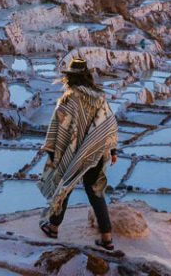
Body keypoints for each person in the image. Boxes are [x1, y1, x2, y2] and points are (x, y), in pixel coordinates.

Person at [38, 57, 119, 250]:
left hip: (71, 153)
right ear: (87, 76)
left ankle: (53, 227)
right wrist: (112, 150)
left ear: (70, 78)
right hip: (95, 153)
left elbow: (57, 128)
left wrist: (52, 153)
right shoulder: (99, 98)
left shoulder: (68, 99)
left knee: (64, 188)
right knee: (95, 193)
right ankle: (107, 237)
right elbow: (109, 125)